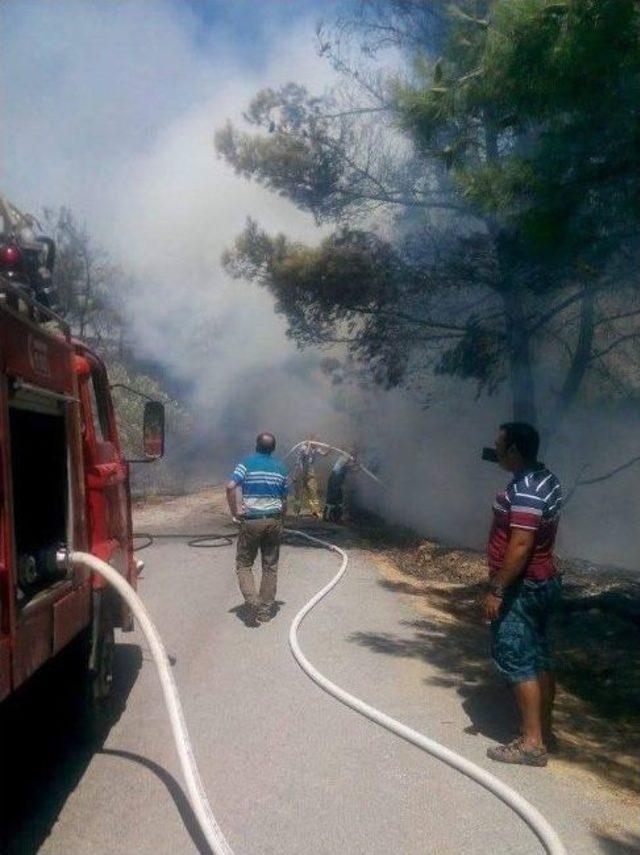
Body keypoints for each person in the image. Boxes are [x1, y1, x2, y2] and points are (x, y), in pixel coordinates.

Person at [482, 422, 563, 767]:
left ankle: (531, 744)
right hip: (543, 580)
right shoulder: (544, 478)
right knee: (539, 656)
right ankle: (543, 731)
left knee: (516, 656)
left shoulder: (527, 489)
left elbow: (520, 544)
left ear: (515, 450)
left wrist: (497, 589)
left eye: (500, 445)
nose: (495, 450)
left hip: (523, 585)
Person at [226, 432, 288, 624]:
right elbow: (285, 500)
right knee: (270, 566)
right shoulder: (281, 468)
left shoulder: (246, 463)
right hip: (274, 521)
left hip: (251, 521)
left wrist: (235, 511)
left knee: (244, 564)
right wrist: (280, 518)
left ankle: (253, 601)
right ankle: (266, 610)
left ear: (256, 446)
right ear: (273, 448)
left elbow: (230, 486)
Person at [292, 434, 329, 517]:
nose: (317, 443)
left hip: (309, 472)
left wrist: (329, 450)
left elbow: (324, 454)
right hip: (300, 471)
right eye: (316, 441)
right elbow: (306, 454)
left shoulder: (315, 448)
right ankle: (296, 511)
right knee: (298, 493)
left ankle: (315, 510)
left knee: (313, 491)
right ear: (311, 440)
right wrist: (309, 444)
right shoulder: (303, 447)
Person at [323, 450, 360, 523]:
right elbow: (349, 466)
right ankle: (327, 517)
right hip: (334, 482)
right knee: (332, 500)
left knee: (339, 500)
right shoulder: (343, 459)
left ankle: (336, 517)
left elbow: (353, 469)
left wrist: (357, 467)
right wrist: (355, 464)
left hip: (337, 482)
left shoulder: (346, 460)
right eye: (354, 456)